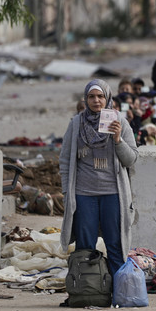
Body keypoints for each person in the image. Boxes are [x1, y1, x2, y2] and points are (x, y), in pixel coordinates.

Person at [59, 79, 139, 278]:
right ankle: (87, 289)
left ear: (108, 98)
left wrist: (118, 139)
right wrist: (67, 193)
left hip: (113, 193)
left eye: (100, 96)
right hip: (84, 194)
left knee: (115, 243)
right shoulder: (76, 123)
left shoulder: (119, 121)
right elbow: (65, 161)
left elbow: (131, 160)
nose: (96, 101)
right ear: (86, 99)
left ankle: (119, 290)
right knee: (85, 245)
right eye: (91, 97)